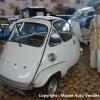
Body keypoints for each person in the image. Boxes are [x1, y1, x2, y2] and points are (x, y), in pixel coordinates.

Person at [89, 3, 100, 73]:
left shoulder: (93, 19)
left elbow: (90, 30)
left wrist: (94, 32)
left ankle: (94, 65)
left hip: (94, 37)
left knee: (94, 52)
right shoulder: (93, 19)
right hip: (97, 37)